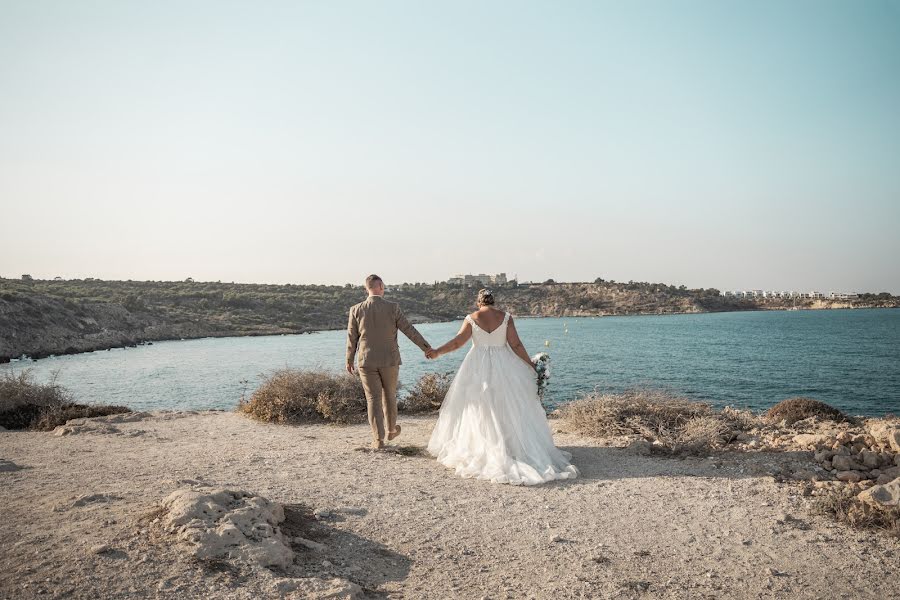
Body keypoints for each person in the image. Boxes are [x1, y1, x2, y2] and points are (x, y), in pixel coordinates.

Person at [425, 288, 578, 485]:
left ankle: (486, 445)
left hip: (477, 365)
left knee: (480, 406)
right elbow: (516, 345)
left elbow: (457, 343)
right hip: (505, 363)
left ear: (479, 302)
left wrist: (437, 352)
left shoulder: (471, 318)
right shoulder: (506, 317)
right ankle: (512, 446)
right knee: (509, 403)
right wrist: (531, 365)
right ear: (493, 301)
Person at [346, 274, 432, 449]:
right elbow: (409, 329)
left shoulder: (356, 310)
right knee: (390, 395)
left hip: (366, 360)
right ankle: (391, 429)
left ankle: (378, 440)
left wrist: (349, 360)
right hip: (389, 360)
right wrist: (426, 347)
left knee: (373, 399)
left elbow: (351, 338)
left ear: (366, 289)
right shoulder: (393, 308)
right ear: (381, 287)